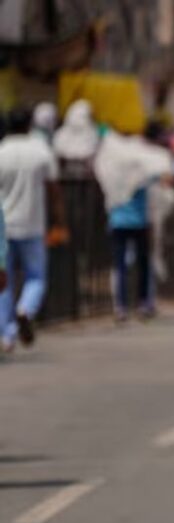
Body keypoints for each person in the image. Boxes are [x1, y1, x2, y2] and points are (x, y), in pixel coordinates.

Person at [93, 129, 174, 321]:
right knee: (142, 265)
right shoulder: (142, 171)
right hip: (139, 223)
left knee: (120, 266)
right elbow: (166, 179)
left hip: (118, 222)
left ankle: (120, 306)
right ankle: (143, 303)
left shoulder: (115, 172)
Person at [0, 108, 61, 352]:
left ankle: (7, 334)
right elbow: (53, 189)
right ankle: (26, 309)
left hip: (4, 227)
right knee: (35, 276)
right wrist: (60, 220)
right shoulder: (41, 151)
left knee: (4, 282)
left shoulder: (1, 152)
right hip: (32, 225)